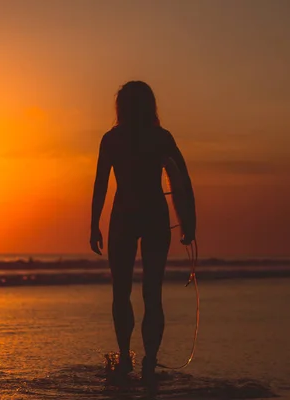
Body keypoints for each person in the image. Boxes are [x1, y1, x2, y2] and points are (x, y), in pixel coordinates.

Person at [90, 81, 196, 381]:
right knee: (152, 292)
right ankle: (149, 360)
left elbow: (100, 184)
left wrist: (94, 223)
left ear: (120, 107)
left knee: (121, 292)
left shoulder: (113, 139)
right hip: (153, 215)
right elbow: (183, 181)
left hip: (123, 216)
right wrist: (189, 222)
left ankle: (125, 356)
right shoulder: (160, 137)